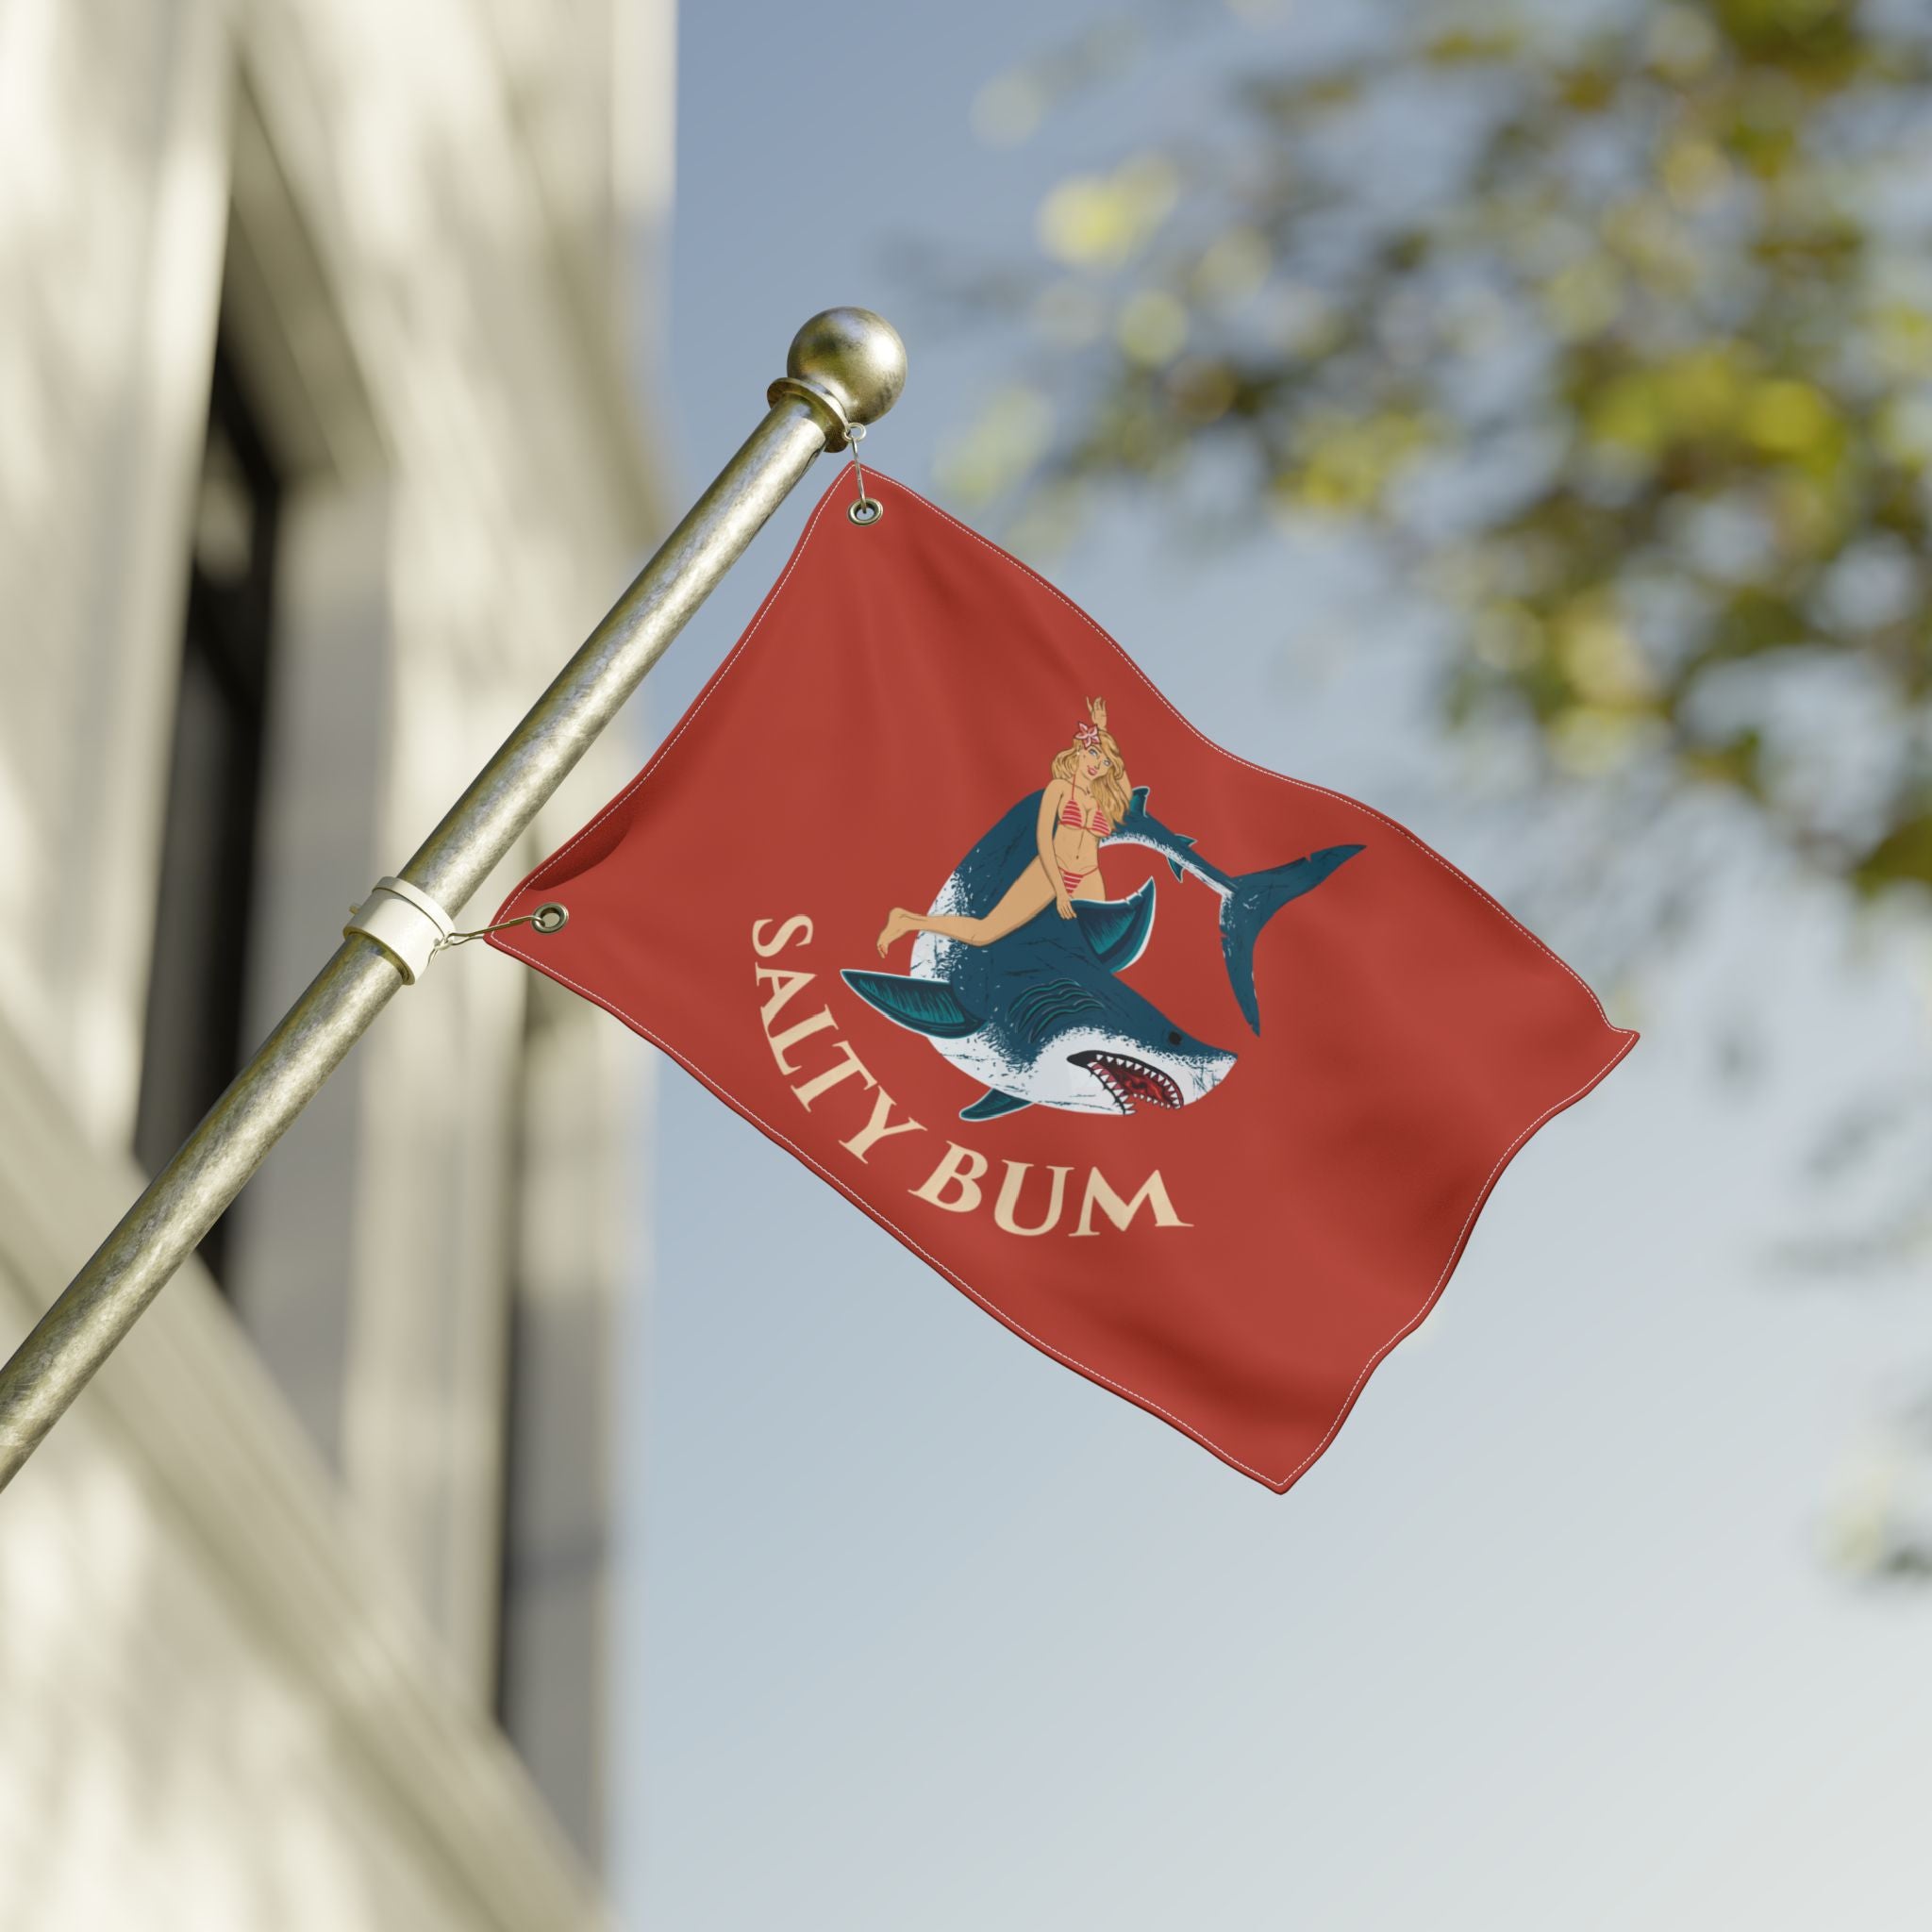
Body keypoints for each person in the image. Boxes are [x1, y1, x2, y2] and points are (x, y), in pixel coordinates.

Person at [875, 697, 1132, 958]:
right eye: (1093, 753)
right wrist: (1060, 890)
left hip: (1089, 876)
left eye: (1105, 763)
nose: (1097, 764)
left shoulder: (1103, 798)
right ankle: (908, 920)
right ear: (1079, 750)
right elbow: (1043, 838)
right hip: (1051, 870)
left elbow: (1127, 791)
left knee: (1093, 949)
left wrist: (1103, 731)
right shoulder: (1059, 788)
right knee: (984, 933)